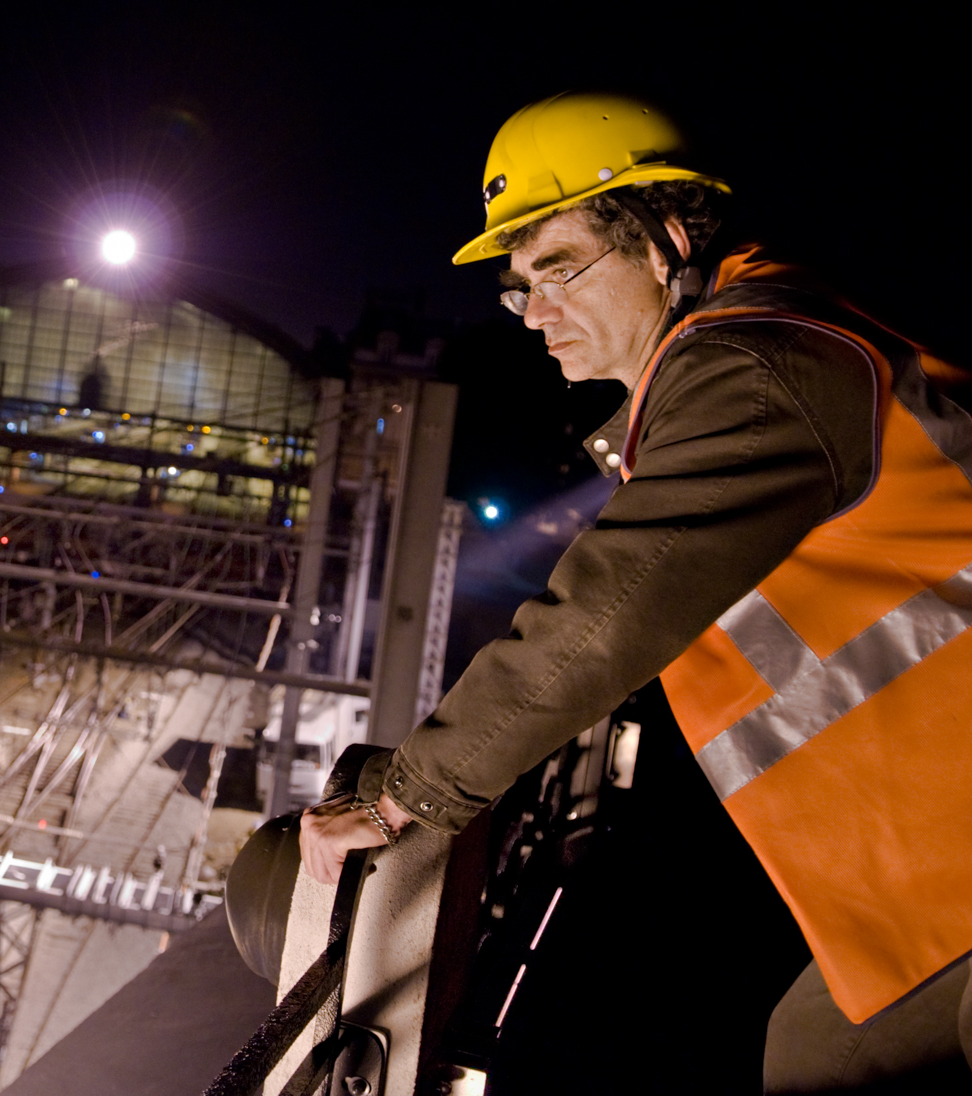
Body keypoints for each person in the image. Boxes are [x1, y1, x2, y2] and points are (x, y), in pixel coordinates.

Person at [292, 92, 972, 1091]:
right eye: (519, 289)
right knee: (820, 1055)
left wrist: (410, 795)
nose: (536, 313)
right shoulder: (731, 367)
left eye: (559, 268)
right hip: (931, 872)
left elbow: (608, 611)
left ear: (661, 239)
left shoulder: (755, 369)